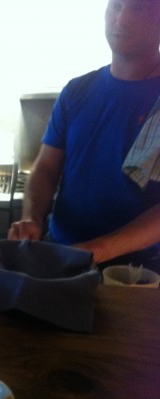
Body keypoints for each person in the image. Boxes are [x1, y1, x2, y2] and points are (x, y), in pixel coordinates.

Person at [8, 0, 160, 271]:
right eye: (116, 5)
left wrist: (96, 251)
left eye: (138, 7)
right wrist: (32, 218)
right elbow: (44, 169)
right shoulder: (77, 91)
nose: (121, 18)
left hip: (136, 272)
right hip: (62, 252)